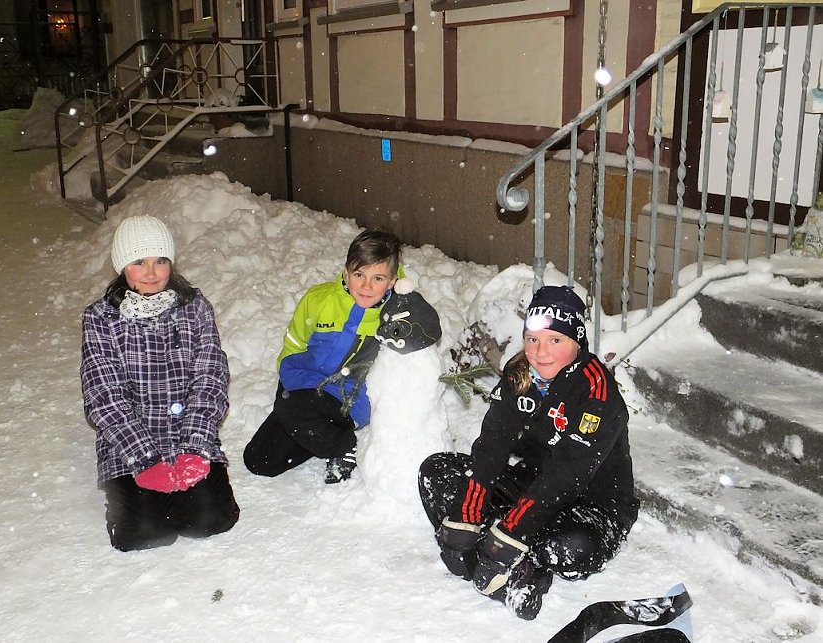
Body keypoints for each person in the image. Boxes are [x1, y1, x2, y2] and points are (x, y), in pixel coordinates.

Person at [418, 285, 639, 620]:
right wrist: (467, 514)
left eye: (555, 340)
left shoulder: (597, 391)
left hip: (591, 505)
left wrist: (509, 534)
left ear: (576, 342)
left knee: (567, 550)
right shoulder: (520, 374)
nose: (541, 351)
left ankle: (517, 559)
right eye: (533, 339)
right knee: (437, 471)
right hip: (531, 484)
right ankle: (505, 559)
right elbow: (492, 445)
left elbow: (567, 474)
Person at [80, 215, 239, 551]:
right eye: (139, 262)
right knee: (146, 534)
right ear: (123, 267)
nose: (151, 273)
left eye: (160, 261)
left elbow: (210, 378)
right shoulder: (100, 318)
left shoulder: (194, 308)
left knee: (212, 521)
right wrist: (146, 460)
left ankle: (179, 495)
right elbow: (104, 395)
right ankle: (135, 502)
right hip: (129, 443)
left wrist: (194, 447)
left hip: (188, 435)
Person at [243, 229, 402, 484]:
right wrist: (292, 385)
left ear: (393, 281)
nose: (366, 286)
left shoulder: (396, 316)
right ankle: (318, 432)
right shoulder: (319, 300)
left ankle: (343, 445)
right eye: (359, 274)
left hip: (347, 399)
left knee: (292, 410)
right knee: (259, 460)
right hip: (303, 386)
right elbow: (293, 345)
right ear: (346, 272)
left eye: (378, 278)